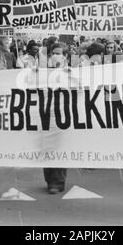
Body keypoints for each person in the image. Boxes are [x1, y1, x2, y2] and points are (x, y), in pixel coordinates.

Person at [44, 42, 69, 194]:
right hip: (47, 112)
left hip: (64, 113)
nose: (55, 56)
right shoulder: (43, 71)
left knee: (60, 147)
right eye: (53, 53)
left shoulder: (71, 71)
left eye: (59, 53)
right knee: (48, 147)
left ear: (65, 56)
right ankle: (50, 180)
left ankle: (58, 180)